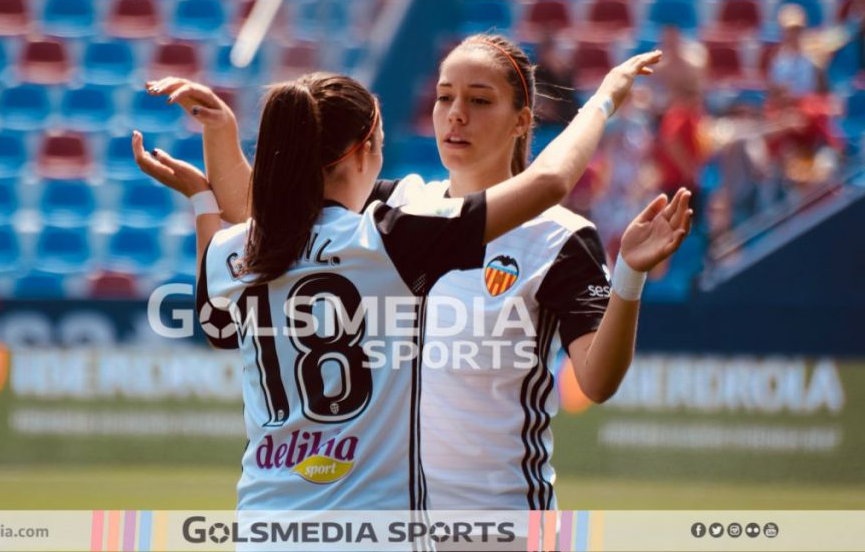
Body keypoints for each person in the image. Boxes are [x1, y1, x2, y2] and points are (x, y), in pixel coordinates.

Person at [136, 47, 687, 513]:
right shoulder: (393, 215)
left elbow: (596, 381)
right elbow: (277, 227)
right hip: (390, 519)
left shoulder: (557, 237)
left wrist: (629, 278)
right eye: (445, 96)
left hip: (497, 521)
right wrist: (222, 144)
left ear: (523, 119)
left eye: (479, 100)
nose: (455, 115)